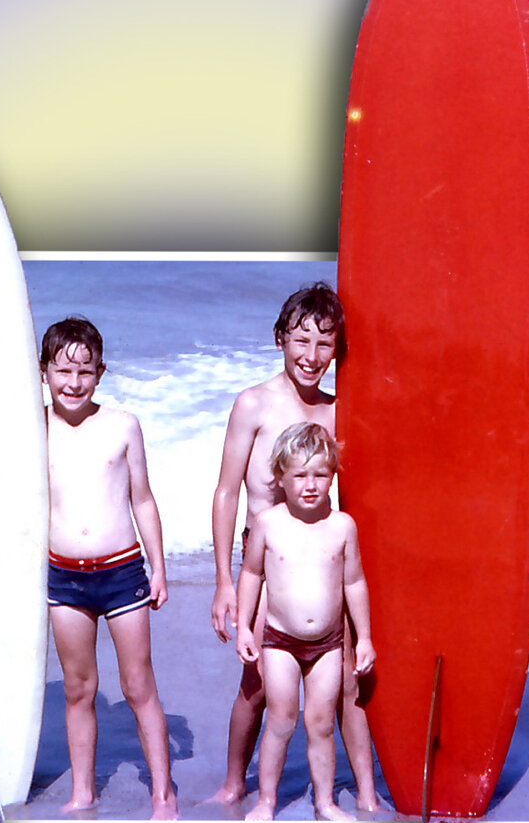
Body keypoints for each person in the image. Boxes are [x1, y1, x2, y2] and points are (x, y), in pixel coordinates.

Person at [210, 282, 378, 810]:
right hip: (264, 560)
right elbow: (226, 491)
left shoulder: (340, 409)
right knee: (257, 682)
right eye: (302, 340)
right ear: (280, 337)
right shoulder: (254, 404)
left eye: (325, 343)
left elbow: (415, 442)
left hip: (322, 561)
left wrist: (526, 434)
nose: (312, 355)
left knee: (346, 684)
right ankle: (234, 784)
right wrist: (224, 581)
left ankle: (367, 796)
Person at [42, 316, 178, 820]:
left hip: (122, 573)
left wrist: (158, 568)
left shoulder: (122, 425)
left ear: (100, 372)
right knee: (79, 689)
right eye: (62, 371)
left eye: (85, 372)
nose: (73, 383)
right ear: (43, 371)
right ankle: (84, 792)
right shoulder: (33, 428)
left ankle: (163, 794)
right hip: (64, 578)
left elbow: (142, 499)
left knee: (138, 686)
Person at [236, 423, 375, 821]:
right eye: (299, 475)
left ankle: (325, 802)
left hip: (329, 643)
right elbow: (251, 574)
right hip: (278, 640)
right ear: (280, 477)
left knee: (321, 724)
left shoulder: (342, 525)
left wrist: (364, 638)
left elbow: (354, 582)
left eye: (320, 474)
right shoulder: (268, 522)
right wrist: (244, 626)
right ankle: (265, 802)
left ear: (333, 476)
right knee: (280, 720)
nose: (310, 485)